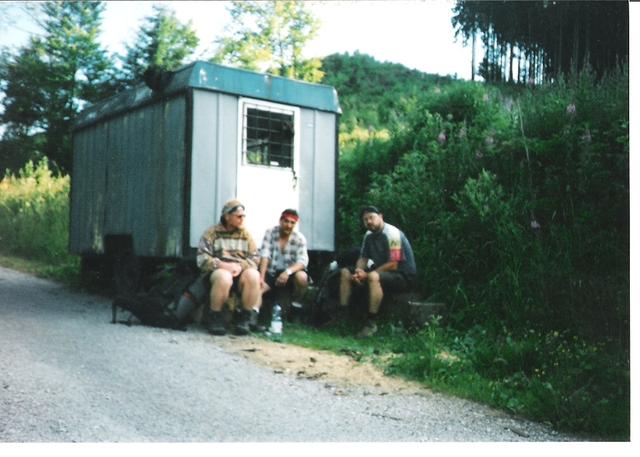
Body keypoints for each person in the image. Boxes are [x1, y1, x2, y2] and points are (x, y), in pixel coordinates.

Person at [339, 205, 417, 338]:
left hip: (403, 275)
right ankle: (342, 317)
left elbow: (394, 263)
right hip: (384, 272)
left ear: (381, 216)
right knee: (346, 273)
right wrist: (358, 271)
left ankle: (371, 323)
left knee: (373, 277)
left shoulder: (393, 234)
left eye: (371, 217)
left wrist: (367, 274)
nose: (369, 221)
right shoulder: (368, 235)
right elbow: (363, 258)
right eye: (365, 219)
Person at [197, 199, 262, 336]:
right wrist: (222, 265)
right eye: (239, 216)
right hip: (217, 272)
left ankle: (244, 319)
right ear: (227, 216)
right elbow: (202, 258)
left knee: (253, 275)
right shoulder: (212, 233)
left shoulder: (246, 235)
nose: (242, 219)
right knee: (224, 277)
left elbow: (255, 258)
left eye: (243, 216)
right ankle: (215, 318)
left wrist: (240, 266)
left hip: (239, 272)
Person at [259, 209, 309, 321]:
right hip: (271, 272)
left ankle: (296, 306)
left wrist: (287, 272)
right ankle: (252, 315)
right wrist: (261, 277)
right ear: (280, 221)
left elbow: (303, 261)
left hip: (289, 275)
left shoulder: (299, 238)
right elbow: (265, 255)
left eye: (292, 223)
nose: (288, 225)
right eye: (286, 221)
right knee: (258, 289)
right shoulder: (270, 233)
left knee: (302, 277)